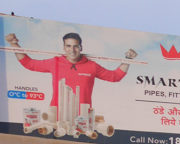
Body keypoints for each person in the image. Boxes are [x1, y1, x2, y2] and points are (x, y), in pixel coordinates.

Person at [4, 32, 136, 108]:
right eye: (68, 46)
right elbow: (29, 63)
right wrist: (13, 44)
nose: (72, 50)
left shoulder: (92, 66)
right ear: (63, 47)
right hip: (57, 115)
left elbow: (115, 76)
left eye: (75, 46)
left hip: (83, 118)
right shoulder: (55, 62)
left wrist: (128, 59)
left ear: (81, 47)